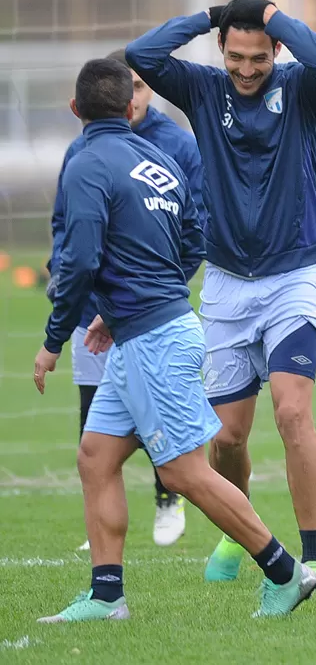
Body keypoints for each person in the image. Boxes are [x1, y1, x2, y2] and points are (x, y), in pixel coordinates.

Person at [35, 58, 316, 622]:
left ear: (76, 110)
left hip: (153, 343)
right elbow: (196, 237)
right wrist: (129, 306)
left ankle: (287, 572)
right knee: (96, 457)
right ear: (129, 105)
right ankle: (107, 596)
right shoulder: (158, 160)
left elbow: (79, 259)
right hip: (150, 329)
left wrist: (52, 339)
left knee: (184, 473)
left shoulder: (86, 162)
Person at [125, 0, 316, 586]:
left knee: (293, 411)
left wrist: (273, 15)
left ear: (275, 51)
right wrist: (209, 15)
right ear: (220, 52)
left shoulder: (301, 87)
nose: (247, 69)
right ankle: (238, 532)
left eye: (258, 57)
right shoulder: (201, 88)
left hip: (295, 274)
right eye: (235, 57)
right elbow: (140, 54)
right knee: (226, 438)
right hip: (225, 284)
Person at [51, 48, 204, 552]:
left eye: (141, 85)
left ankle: (281, 567)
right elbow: (68, 234)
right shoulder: (83, 154)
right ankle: (105, 585)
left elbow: (192, 236)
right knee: (94, 444)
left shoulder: (175, 148)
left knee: (183, 468)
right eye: (127, 87)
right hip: (101, 315)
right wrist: (72, 290)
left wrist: (152, 289)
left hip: (148, 320)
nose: (133, 96)